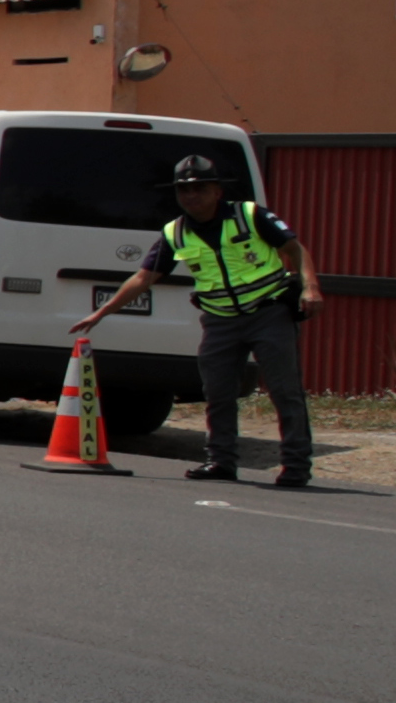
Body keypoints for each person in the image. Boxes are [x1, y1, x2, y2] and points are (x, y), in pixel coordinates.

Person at [90, 152, 313, 488]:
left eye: (200, 189)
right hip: (220, 320)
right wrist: (102, 311)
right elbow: (144, 277)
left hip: (268, 313)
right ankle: (221, 461)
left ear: (217, 191)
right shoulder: (175, 232)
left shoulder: (249, 215)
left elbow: (295, 249)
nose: (192, 196)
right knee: (218, 393)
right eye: (184, 191)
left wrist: (311, 288)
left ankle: (295, 466)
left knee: (285, 391)